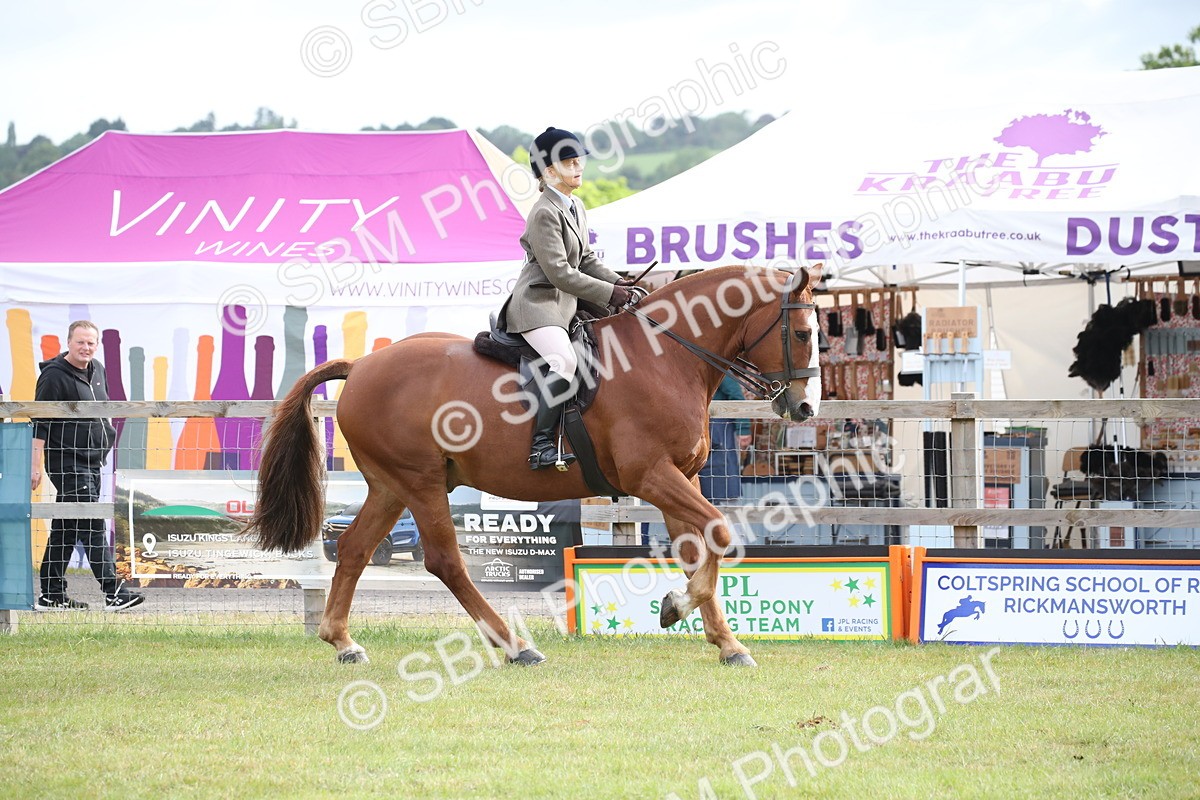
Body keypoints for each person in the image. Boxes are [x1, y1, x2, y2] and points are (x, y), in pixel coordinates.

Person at [502, 126, 637, 469]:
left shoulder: (575, 205)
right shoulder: (544, 212)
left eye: (579, 161)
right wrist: (610, 293)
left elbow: (586, 259)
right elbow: (560, 273)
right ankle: (541, 446)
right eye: (570, 162)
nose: (579, 167)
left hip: (565, 305)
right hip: (538, 305)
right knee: (564, 361)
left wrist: (620, 282)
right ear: (549, 172)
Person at [30, 320, 144, 611]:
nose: (86, 347)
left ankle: (51, 594)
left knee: (67, 527)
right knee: (92, 523)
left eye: (91, 342)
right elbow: (40, 423)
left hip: (93, 462)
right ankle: (114, 592)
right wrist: (35, 465)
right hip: (68, 462)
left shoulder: (98, 370)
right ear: (69, 342)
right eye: (80, 342)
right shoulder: (53, 376)